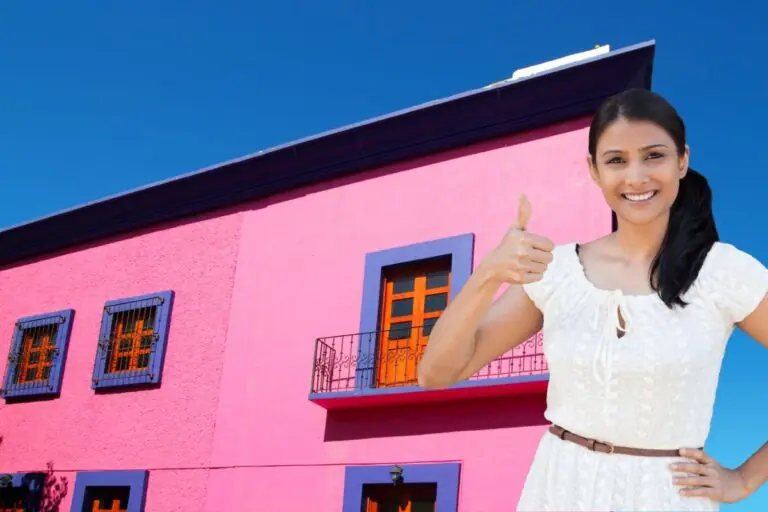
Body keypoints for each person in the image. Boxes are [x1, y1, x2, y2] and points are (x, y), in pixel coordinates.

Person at [418, 88, 768, 511]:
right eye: (616, 160)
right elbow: (437, 373)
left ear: (683, 161)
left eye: (653, 155)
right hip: (558, 490)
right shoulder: (558, 271)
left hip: (665, 498)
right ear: (594, 170)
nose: (636, 176)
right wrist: (487, 275)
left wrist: (744, 480)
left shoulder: (724, 273)